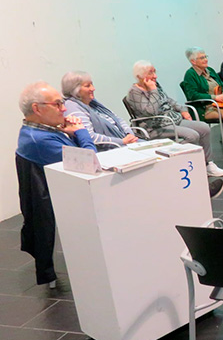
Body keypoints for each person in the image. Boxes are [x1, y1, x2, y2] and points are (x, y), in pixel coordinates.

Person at [16, 81, 96, 285]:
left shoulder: (40, 131)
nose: (64, 109)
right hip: (69, 194)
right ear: (37, 109)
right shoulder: (40, 140)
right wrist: (80, 132)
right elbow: (89, 161)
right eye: (58, 104)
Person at [127, 61, 223, 177]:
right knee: (192, 135)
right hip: (155, 126)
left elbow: (168, 100)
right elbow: (151, 112)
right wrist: (153, 91)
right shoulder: (134, 92)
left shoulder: (155, 84)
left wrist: (183, 109)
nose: (155, 76)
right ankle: (181, 163)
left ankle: (208, 163)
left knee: (204, 128)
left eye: (155, 71)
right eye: (151, 73)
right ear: (140, 76)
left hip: (172, 119)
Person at [62, 71, 137, 149]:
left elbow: (118, 119)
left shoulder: (93, 104)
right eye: (87, 86)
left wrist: (130, 134)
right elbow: (89, 137)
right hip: (113, 149)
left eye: (92, 84)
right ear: (75, 90)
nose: (93, 88)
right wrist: (122, 141)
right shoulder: (72, 107)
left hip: (126, 142)